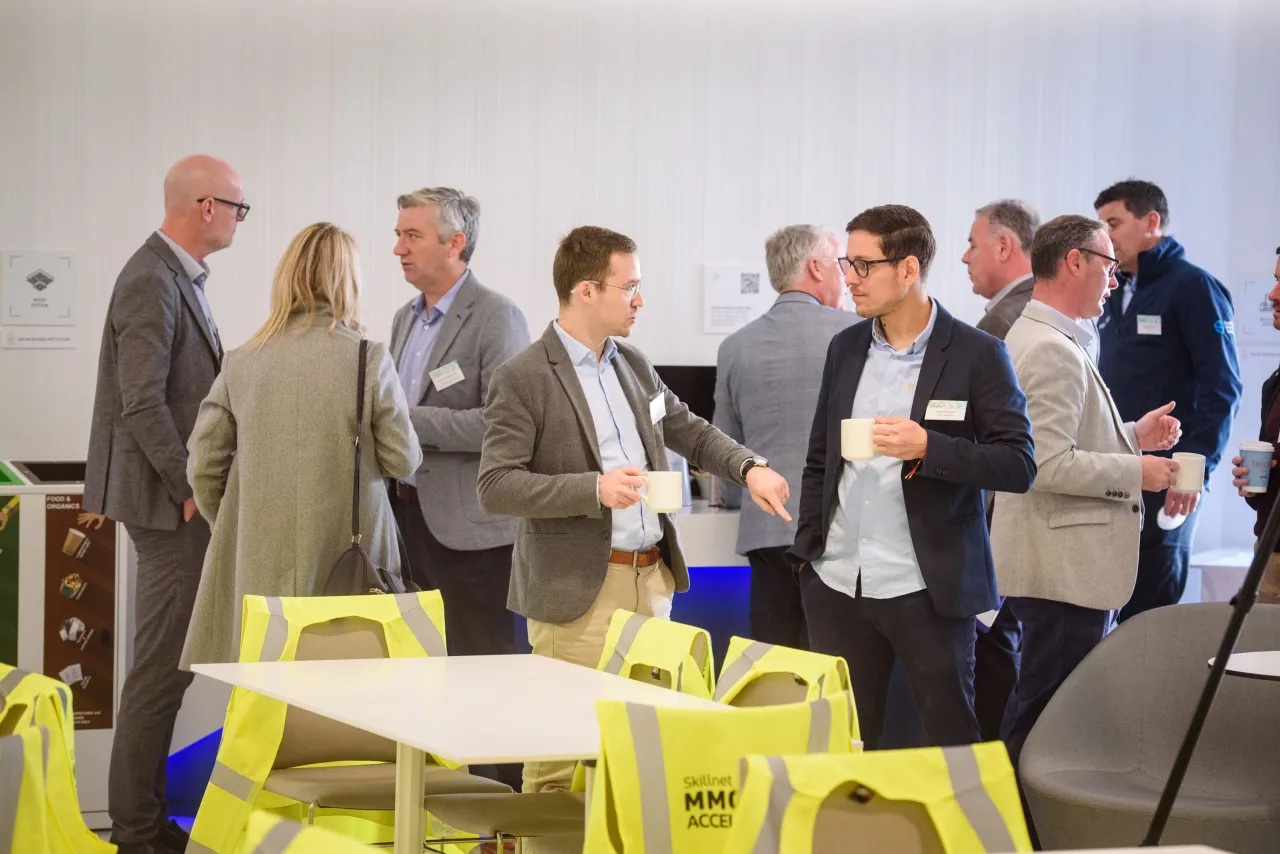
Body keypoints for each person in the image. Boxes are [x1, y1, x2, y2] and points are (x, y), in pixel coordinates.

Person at [478, 226, 791, 793]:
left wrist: (749, 466)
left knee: (642, 752)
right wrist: (592, 488)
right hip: (577, 594)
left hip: (651, 580)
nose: (641, 300)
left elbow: (687, 430)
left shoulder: (632, 364)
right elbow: (496, 485)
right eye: (631, 287)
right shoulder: (523, 377)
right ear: (586, 291)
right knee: (561, 759)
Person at [788, 204, 1036, 750]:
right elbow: (820, 458)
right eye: (845, 264)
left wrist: (931, 446)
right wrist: (809, 553)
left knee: (952, 743)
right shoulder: (846, 347)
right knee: (843, 744)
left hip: (928, 587)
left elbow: (1019, 464)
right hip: (838, 583)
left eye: (863, 266)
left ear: (907, 270)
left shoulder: (978, 354)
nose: (849, 279)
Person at [83, 155, 244, 854]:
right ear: (205, 205)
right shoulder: (153, 278)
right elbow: (141, 399)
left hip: (167, 504)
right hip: (166, 508)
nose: (241, 218)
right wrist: (187, 488)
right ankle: (139, 835)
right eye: (239, 206)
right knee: (158, 675)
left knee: (165, 672)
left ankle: (141, 828)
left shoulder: (172, 276)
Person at [181, 222, 421, 668]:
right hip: (352, 558)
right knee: (354, 697)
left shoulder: (242, 360)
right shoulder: (367, 358)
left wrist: (238, 523)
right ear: (347, 281)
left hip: (258, 557)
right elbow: (403, 458)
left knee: (267, 699)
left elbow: (203, 465)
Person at [992, 215, 1181, 767]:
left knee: (1043, 713)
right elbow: (1047, 464)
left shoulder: (1042, 334)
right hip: (1063, 571)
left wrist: (1130, 436)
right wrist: (1137, 471)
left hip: (1058, 565)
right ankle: (1016, 832)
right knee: (1046, 721)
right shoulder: (1051, 347)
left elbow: (1059, 439)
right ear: (1075, 261)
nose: (1115, 281)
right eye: (1109, 268)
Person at [388, 187, 531, 663]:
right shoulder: (403, 320)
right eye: (398, 235)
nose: (398, 249)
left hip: (471, 536)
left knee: (481, 671)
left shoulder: (497, 317)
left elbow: (506, 425)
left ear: (455, 242)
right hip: (405, 520)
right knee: (419, 667)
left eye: (412, 235)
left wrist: (409, 422)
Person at [1095, 179, 1243, 621]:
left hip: (1171, 480)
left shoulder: (1194, 288)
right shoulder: (1112, 291)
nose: (1106, 236)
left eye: (1114, 223)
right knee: (1106, 611)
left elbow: (1223, 389)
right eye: (1101, 225)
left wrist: (1193, 473)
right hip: (1117, 471)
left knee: (1150, 617)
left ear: (1151, 222)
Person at [714, 224, 857, 648]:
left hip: (766, 530)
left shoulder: (735, 346)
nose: (847, 279)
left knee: (774, 665)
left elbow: (725, 446)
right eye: (842, 265)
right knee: (833, 665)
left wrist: (738, 498)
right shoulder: (856, 336)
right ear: (815, 267)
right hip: (838, 529)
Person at [962, 198, 1040, 742]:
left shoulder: (1004, 323)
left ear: (1005, 246)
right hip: (1025, 518)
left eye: (972, 244)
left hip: (1000, 519)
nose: (965, 257)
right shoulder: (1037, 315)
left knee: (992, 656)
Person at [1228, 246, 1280, 605]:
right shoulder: (1274, 383)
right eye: (1276, 281)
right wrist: (1255, 485)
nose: (1272, 295)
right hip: (1270, 553)